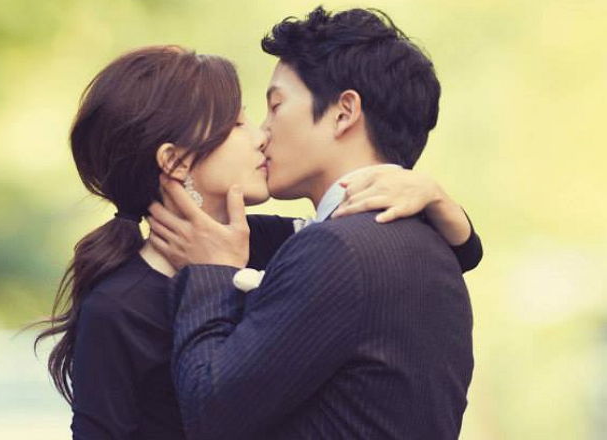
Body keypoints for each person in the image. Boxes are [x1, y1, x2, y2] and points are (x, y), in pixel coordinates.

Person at [37, 45, 480, 439]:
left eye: (263, 114)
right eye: (236, 124)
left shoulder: (267, 241)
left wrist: (434, 196)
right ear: (175, 161)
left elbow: (396, 259)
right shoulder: (119, 306)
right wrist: (214, 273)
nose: (260, 135)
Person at [150, 6, 476, 440]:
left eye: (275, 106)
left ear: (344, 112)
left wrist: (211, 273)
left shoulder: (337, 250)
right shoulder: (430, 241)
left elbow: (212, 412)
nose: (262, 133)